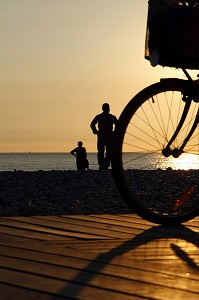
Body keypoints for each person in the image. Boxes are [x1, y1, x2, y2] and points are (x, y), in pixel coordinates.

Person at [90, 103, 117, 170]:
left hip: (105, 135)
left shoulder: (100, 116)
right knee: (106, 152)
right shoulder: (110, 117)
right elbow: (92, 124)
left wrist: (95, 131)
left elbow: (92, 124)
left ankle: (103, 165)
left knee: (103, 152)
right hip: (105, 136)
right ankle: (104, 165)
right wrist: (95, 131)